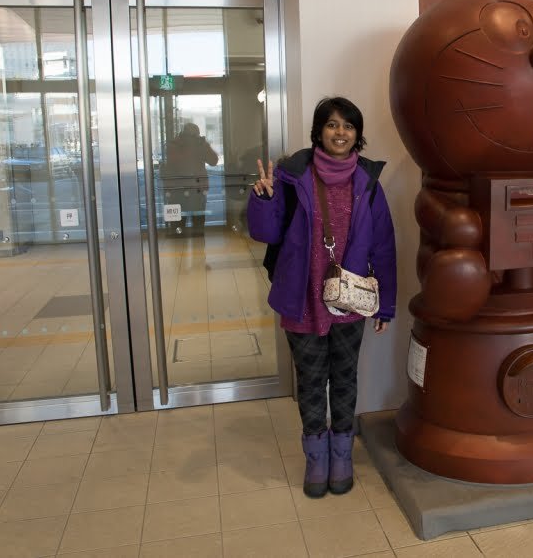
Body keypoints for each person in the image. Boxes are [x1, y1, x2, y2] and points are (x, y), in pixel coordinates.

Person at [247, 96, 397, 498]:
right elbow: (267, 234)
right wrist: (264, 199)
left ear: (357, 135)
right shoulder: (293, 175)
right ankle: (317, 459)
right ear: (319, 131)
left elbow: (383, 246)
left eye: (348, 126)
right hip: (302, 299)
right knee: (312, 382)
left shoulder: (367, 182)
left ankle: (342, 455)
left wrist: (385, 303)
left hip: (348, 300)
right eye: (332, 124)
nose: (340, 132)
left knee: (345, 379)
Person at [163, 122, 218, 236]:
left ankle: (177, 248)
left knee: (177, 225)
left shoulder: (174, 144)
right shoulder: (198, 145)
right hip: (196, 189)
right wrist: (203, 144)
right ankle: (198, 248)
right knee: (198, 225)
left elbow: (169, 166)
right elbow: (213, 160)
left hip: (177, 190)